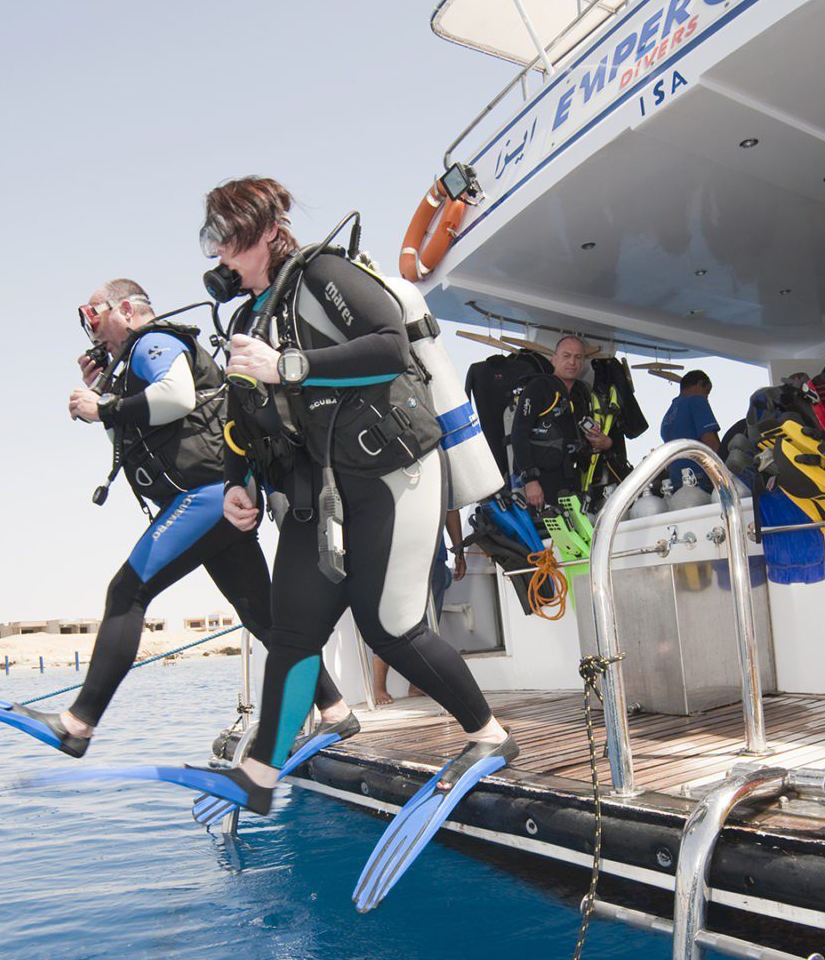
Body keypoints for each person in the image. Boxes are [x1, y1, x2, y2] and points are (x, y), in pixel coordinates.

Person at [208, 175, 516, 814]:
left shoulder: (322, 275)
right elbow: (246, 423)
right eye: (211, 239)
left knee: (391, 627)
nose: (219, 253)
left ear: (266, 231)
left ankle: (488, 736)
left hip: (391, 472)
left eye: (227, 237)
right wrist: (239, 486)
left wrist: (288, 366)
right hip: (316, 492)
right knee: (291, 634)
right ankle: (261, 772)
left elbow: (389, 345)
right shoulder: (246, 319)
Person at [49, 279, 349, 753]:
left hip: (205, 495)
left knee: (127, 592)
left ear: (126, 309)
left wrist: (103, 406)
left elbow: (177, 397)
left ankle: (78, 722)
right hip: (212, 497)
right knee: (262, 615)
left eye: (94, 315)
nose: (92, 332)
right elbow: (132, 440)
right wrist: (104, 395)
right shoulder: (129, 364)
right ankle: (335, 711)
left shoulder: (154, 341)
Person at [373, 511, 467, 704]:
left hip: (433, 556)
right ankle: (378, 687)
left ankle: (417, 685)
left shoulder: (441, 479)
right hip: (392, 555)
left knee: (427, 626)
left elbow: (450, 508)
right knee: (392, 622)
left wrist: (459, 550)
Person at [511, 335, 612, 512]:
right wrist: (530, 481)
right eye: (566, 356)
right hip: (541, 483)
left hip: (572, 481)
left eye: (578, 357)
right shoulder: (538, 387)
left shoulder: (583, 395)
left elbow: (588, 438)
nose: (572, 362)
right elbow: (519, 435)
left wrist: (605, 442)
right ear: (554, 360)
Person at [659, 369, 721, 490]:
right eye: (707, 392)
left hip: (677, 484)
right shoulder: (697, 401)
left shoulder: (668, 415)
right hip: (702, 481)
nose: (707, 398)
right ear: (699, 384)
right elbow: (711, 443)